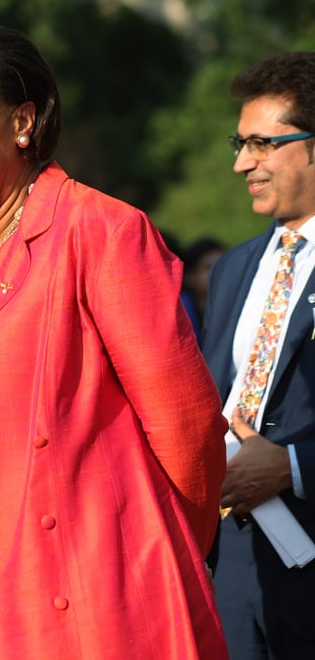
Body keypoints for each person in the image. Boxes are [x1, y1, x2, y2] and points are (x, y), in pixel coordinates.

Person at [0, 24, 229, 659]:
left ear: (22, 120)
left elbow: (188, 427)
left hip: (81, 587)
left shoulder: (101, 230)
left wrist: (162, 557)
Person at [204, 51, 315, 659]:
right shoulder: (232, 269)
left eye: (262, 144)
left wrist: (294, 466)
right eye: (239, 142)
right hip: (230, 563)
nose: (242, 162)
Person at [182, 236, 226, 342]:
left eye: (224, 266)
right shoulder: (181, 310)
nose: (220, 273)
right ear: (189, 276)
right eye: (209, 267)